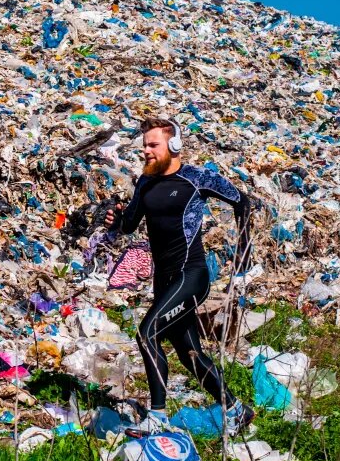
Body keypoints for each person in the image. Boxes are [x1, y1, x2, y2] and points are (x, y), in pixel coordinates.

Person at [105, 117, 255, 436]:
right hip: (165, 282)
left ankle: (157, 416)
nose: (146, 150)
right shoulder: (145, 183)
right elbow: (129, 226)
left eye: (153, 144)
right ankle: (236, 409)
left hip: (192, 276)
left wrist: (245, 250)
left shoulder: (196, 178)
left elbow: (243, 201)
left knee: (147, 334)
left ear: (174, 145)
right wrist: (114, 219)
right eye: (144, 144)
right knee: (190, 354)